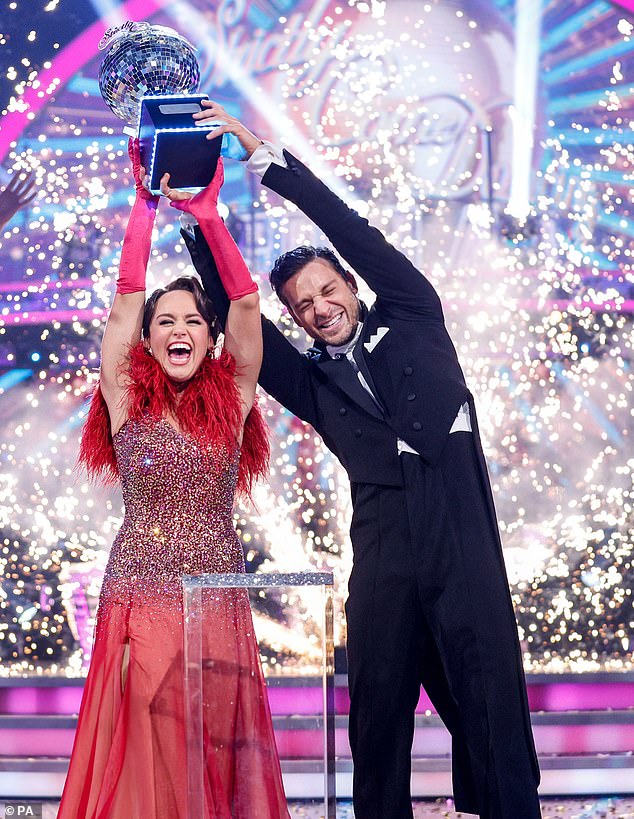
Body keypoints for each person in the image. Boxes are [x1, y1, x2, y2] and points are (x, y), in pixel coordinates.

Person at [183, 102, 542, 819]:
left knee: (490, 697)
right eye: (303, 303)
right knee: (376, 709)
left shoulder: (412, 309)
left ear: (352, 286)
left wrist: (267, 162)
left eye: (328, 289)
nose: (320, 307)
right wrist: (202, 220)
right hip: (384, 548)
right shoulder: (311, 382)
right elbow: (233, 311)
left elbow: (352, 229)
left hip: (459, 529)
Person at [58, 140, 290, 819]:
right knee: (150, 739)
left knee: (213, 739)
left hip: (217, 590)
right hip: (142, 587)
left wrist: (211, 219)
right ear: (151, 340)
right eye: (168, 321)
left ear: (208, 337)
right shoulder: (127, 395)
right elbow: (121, 308)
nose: (181, 327)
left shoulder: (235, 397)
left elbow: (246, 308)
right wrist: (143, 207)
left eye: (194, 319)